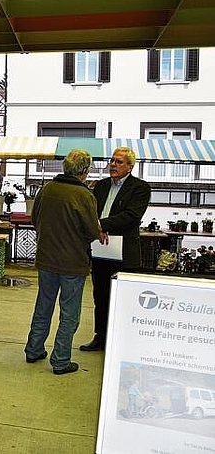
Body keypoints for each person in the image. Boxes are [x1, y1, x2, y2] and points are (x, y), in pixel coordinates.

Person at [24, 149, 102, 375]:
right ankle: (60, 360)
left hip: (46, 259)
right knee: (69, 313)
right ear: (85, 171)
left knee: (43, 306)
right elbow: (91, 231)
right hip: (72, 263)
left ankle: (33, 349)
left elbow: (34, 219)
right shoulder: (84, 195)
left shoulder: (46, 189)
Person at [80, 147, 151, 352]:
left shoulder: (140, 188)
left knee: (123, 298)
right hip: (101, 249)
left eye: (119, 162)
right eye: (112, 161)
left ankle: (122, 340)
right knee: (100, 296)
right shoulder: (100, 186)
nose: (113, 165)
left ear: (130, 166)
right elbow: (90, 211)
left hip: (124, 253)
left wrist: (101, 225)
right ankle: (100, 337)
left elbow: (131, 216)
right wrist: (97, 227)